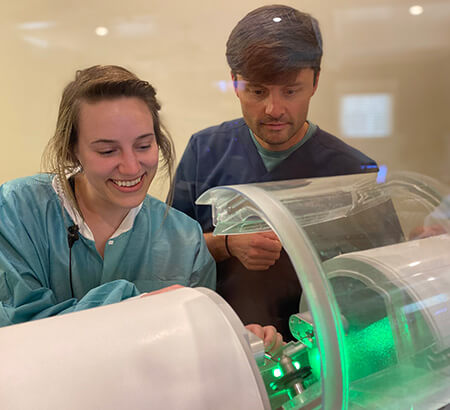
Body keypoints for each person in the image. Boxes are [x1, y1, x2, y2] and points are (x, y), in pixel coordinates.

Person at [0, 65, 283, 351]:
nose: (131, 167)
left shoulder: (184, 240)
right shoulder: (18, 211)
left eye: (144, 146)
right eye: (107, 151)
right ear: (71, 149)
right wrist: (139, 307)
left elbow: (193, 350)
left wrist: (235, 339)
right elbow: (20, 332)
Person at [172, 5, 379, 339]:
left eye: (290, 91)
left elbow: (376, 293)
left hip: (318, 354)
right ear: (235, 83)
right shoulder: (205, 150)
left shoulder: (352, 171)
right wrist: (226, 244)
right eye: (257, 91)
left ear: (315, 81)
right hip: (223, 343)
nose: (274, 109)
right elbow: (167, 254)